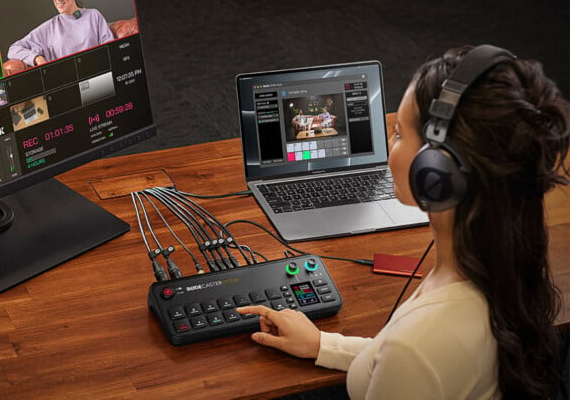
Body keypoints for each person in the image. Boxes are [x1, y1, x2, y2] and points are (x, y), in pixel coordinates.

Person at [237, 45, 569, 399]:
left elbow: (410, 359)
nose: (390, 147)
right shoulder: (505, 260)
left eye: (397, 133)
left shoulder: (418, 346)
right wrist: (323, 344)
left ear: (435, 169)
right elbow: (403, 363)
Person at [7, 0, 114, 67]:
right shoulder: (48, 28)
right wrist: (37, 58)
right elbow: (14, 49)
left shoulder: (93, 15)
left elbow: (110, 50)